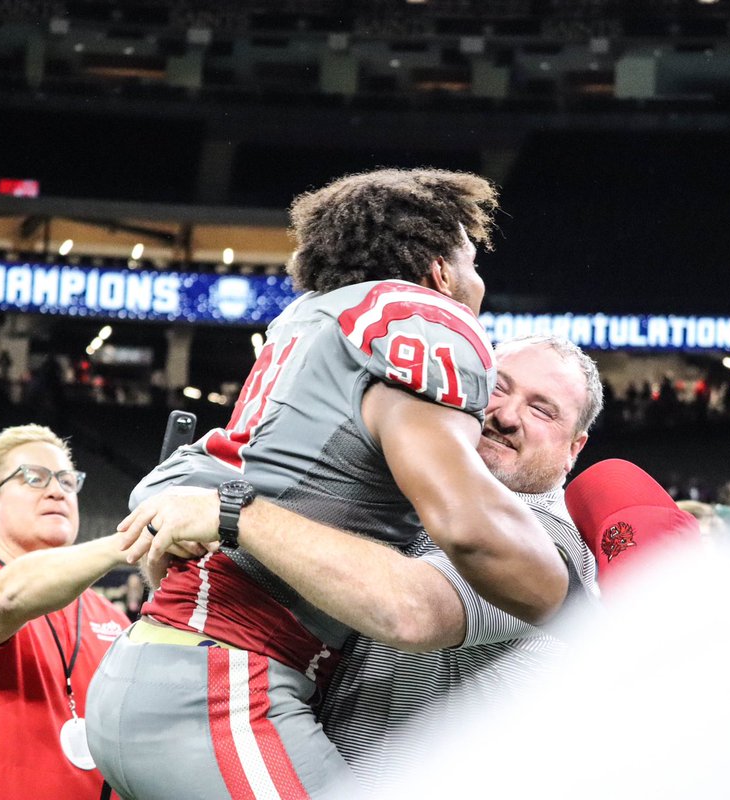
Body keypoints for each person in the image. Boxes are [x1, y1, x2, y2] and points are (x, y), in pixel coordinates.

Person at [87, 169, 568, 799]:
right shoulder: (422, 321)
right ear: (440, 272)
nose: (480, 284)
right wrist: (572, 598)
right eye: (473, 263)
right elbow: (474, 542)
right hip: (224, 688)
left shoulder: (309, 319)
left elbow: (177, 491)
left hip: (158, 668)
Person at [99, 335, 604, 796]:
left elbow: (409, 609)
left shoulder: (545, 544)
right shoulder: (409, 504)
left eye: (542, 410)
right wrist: (183, 550)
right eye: (498, 387)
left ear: (572, 451)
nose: (506, 415)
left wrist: (235, 512)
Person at [0, 425, 131, 799]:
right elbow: (8, 600)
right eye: (33, 477)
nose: (57, 490)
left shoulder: (113, 620)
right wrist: (128, 541)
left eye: (67, 480)